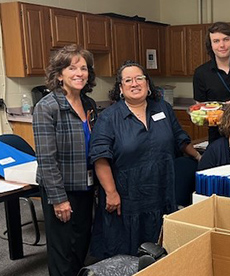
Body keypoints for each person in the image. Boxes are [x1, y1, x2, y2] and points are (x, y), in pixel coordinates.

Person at [89, 61, 201, 259]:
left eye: (139, 78)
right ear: (121, 88)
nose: (135, 83)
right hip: (127, 198)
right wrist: (111, 192)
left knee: (159, 251)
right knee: (127, 253)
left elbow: (180, 138)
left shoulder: (163, 108)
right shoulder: (109, 118)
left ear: (148, 84)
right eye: (128, 80)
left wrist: (199, 156)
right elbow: (100, 158)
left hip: (161, 191)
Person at [33, 44, 97, 276]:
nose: (79, 73)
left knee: (81, 244)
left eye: (84, 68)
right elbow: (47, 160)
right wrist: (59, 200)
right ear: (59, 74)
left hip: (85, 185)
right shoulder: (47, 107)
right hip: (61, 189)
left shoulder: (88, 104)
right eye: (72, 68)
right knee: (62, 250)